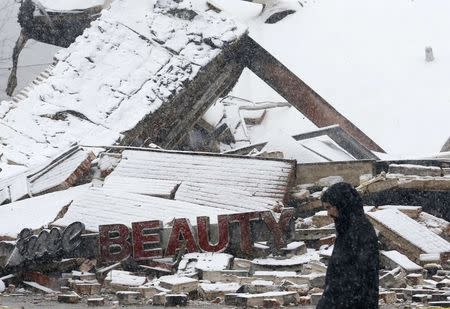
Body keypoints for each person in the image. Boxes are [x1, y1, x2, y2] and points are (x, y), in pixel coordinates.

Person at [317, 182, 379, 309]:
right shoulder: (347, 229)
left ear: (341, 204)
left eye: (329, 207)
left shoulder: (360, 230)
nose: (328, 214)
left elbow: (356, 278)